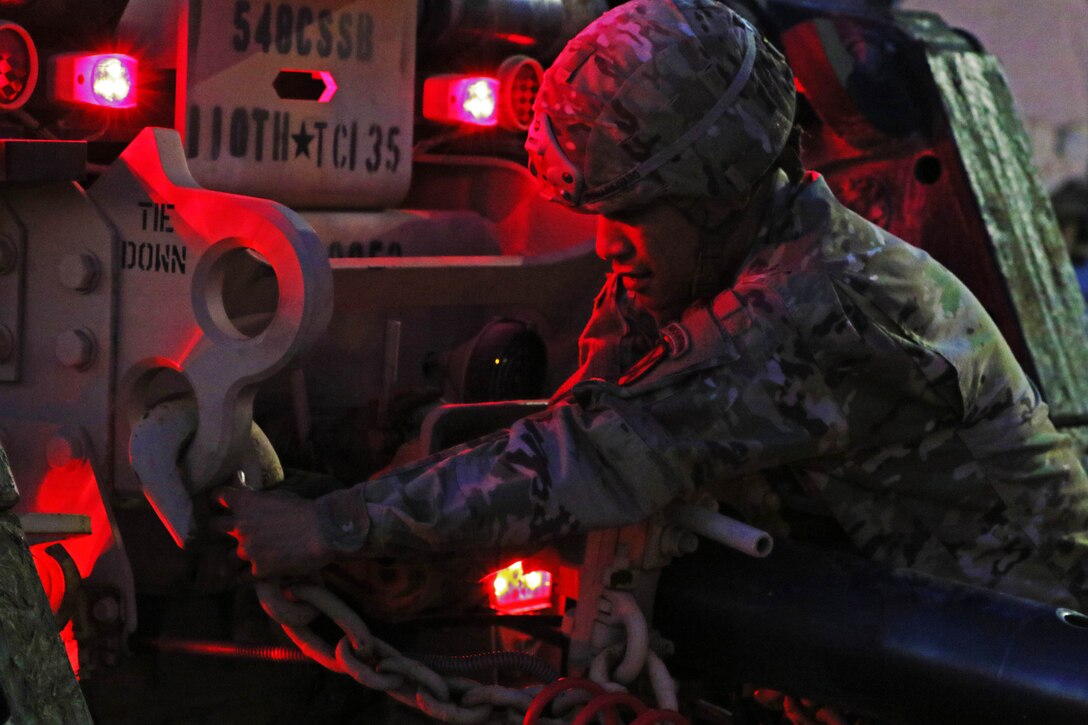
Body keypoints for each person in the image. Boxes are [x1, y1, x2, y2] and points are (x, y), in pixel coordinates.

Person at [217, 0, 1088, 612]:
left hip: (1012, 644)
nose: (606, 245)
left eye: (630, 216)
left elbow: (595, 454)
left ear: (713, 193)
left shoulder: (815, 306)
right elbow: (602, 395)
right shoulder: (738, 250)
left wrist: (328, 526)